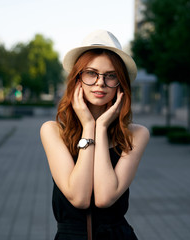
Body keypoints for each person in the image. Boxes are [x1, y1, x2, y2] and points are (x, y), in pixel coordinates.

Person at [40, 30, 150, 240]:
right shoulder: (53, 131)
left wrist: (101, 128)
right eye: (91, 73)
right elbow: (79, 197)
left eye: (111, 76)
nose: (100, 82)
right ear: (77, 78)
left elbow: (105, 197)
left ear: (121, 84)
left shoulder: (136, 134)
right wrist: (89, 125)